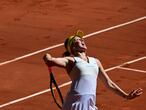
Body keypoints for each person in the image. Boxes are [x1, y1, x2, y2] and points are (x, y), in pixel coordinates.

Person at [43, 30, 143, 110]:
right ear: (73, 47)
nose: (82, 40)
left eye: (82, 39)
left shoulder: (96, 61)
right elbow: (51, 61)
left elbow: (109, 83)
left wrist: (126, 96)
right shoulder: (71, 61)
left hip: (90, 103)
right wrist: (47, 57)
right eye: (78, 39)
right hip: (75, 104)